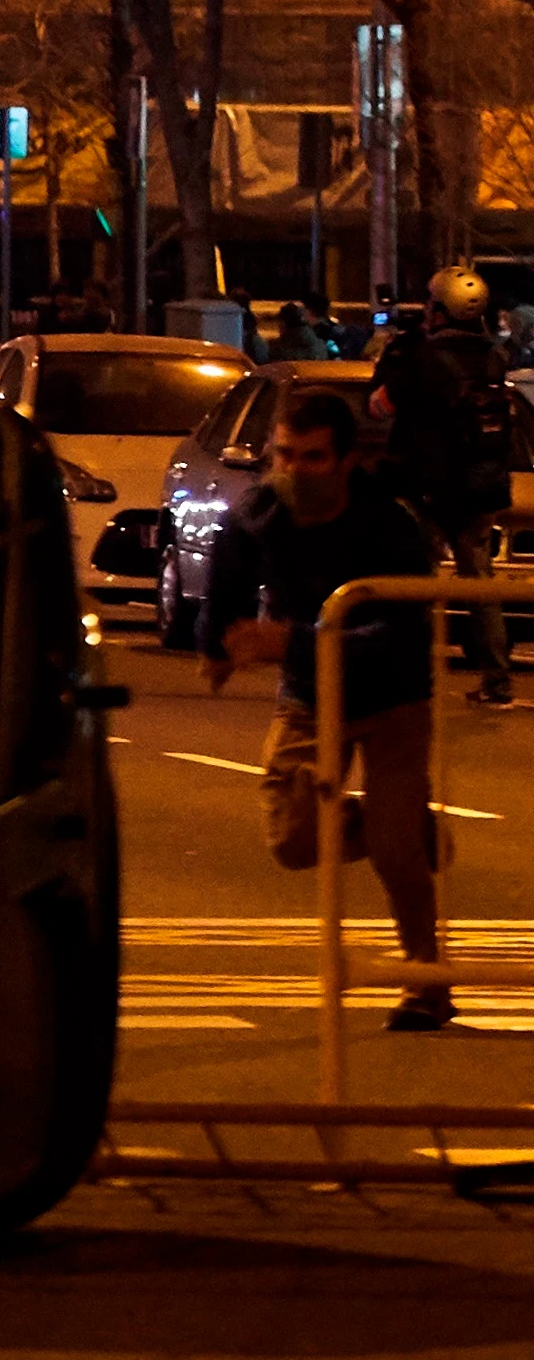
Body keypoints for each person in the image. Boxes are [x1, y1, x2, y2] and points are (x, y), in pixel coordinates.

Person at [204, 391, 456, 1030]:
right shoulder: (263, 512)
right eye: (283, 454)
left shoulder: (389, 525)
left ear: (345, 462)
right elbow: (227, 575)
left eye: (312, 458)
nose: (293, 471)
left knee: (396, 848)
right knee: (290, 838)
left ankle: (426, 985)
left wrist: (293, 640)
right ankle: (398, 825)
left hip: (392, 695)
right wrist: (219, 647)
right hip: (310, 696)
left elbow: (397, 632)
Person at [371, 264, 516, 706]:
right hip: (481, 486)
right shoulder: (494, 355)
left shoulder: (421, 356)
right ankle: (497, 680)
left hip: (426, 487)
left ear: (439, 308)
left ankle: (406, 675)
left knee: (412, 582)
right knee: (480, 585)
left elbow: (380, 406)